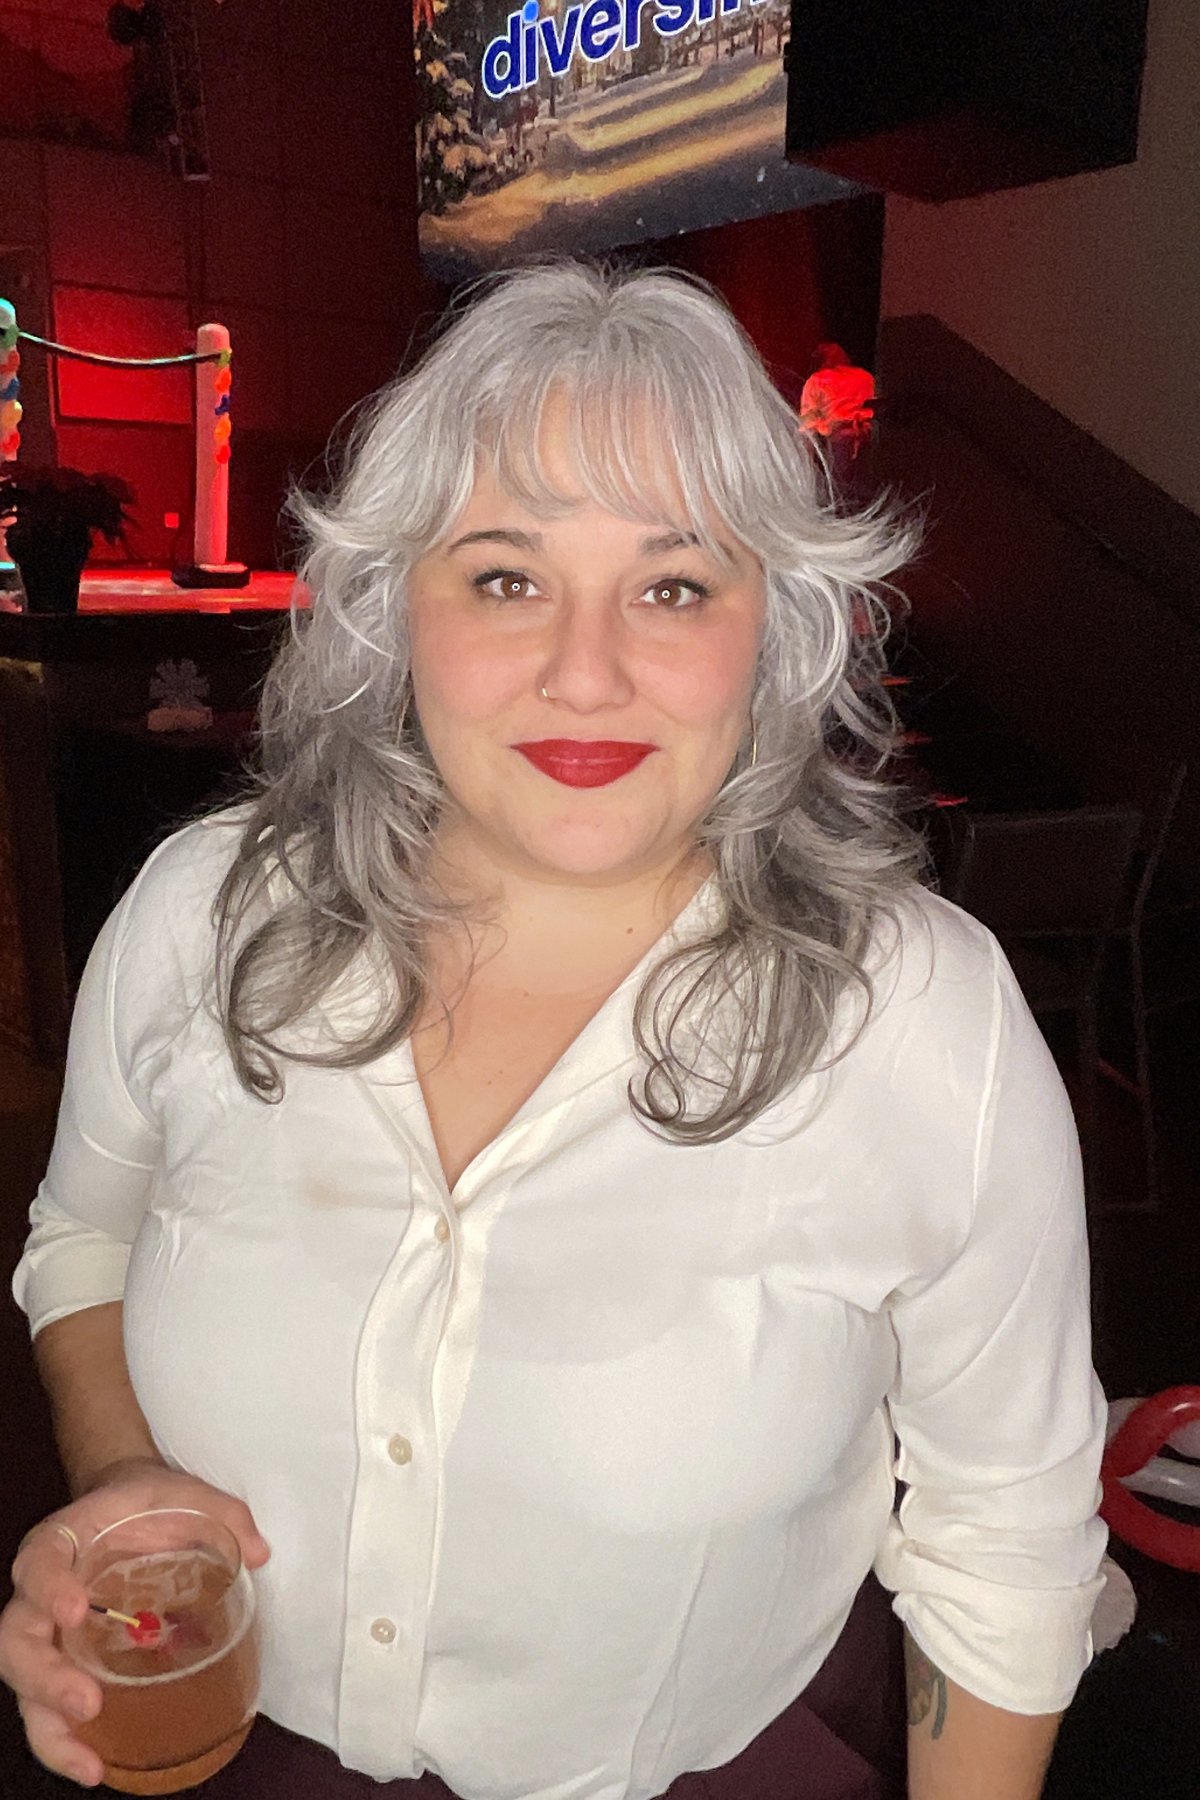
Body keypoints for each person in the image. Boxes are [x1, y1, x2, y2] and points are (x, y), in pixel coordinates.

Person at [1, 262, 1107, 1800]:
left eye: (675, 586)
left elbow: (1006, 1542)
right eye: (506, 579)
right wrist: (123, 1470)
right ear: (398, 610)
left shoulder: (923, 1023)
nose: (585, 672)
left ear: (774, 628)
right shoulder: (206, 912)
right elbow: (85, 1239)